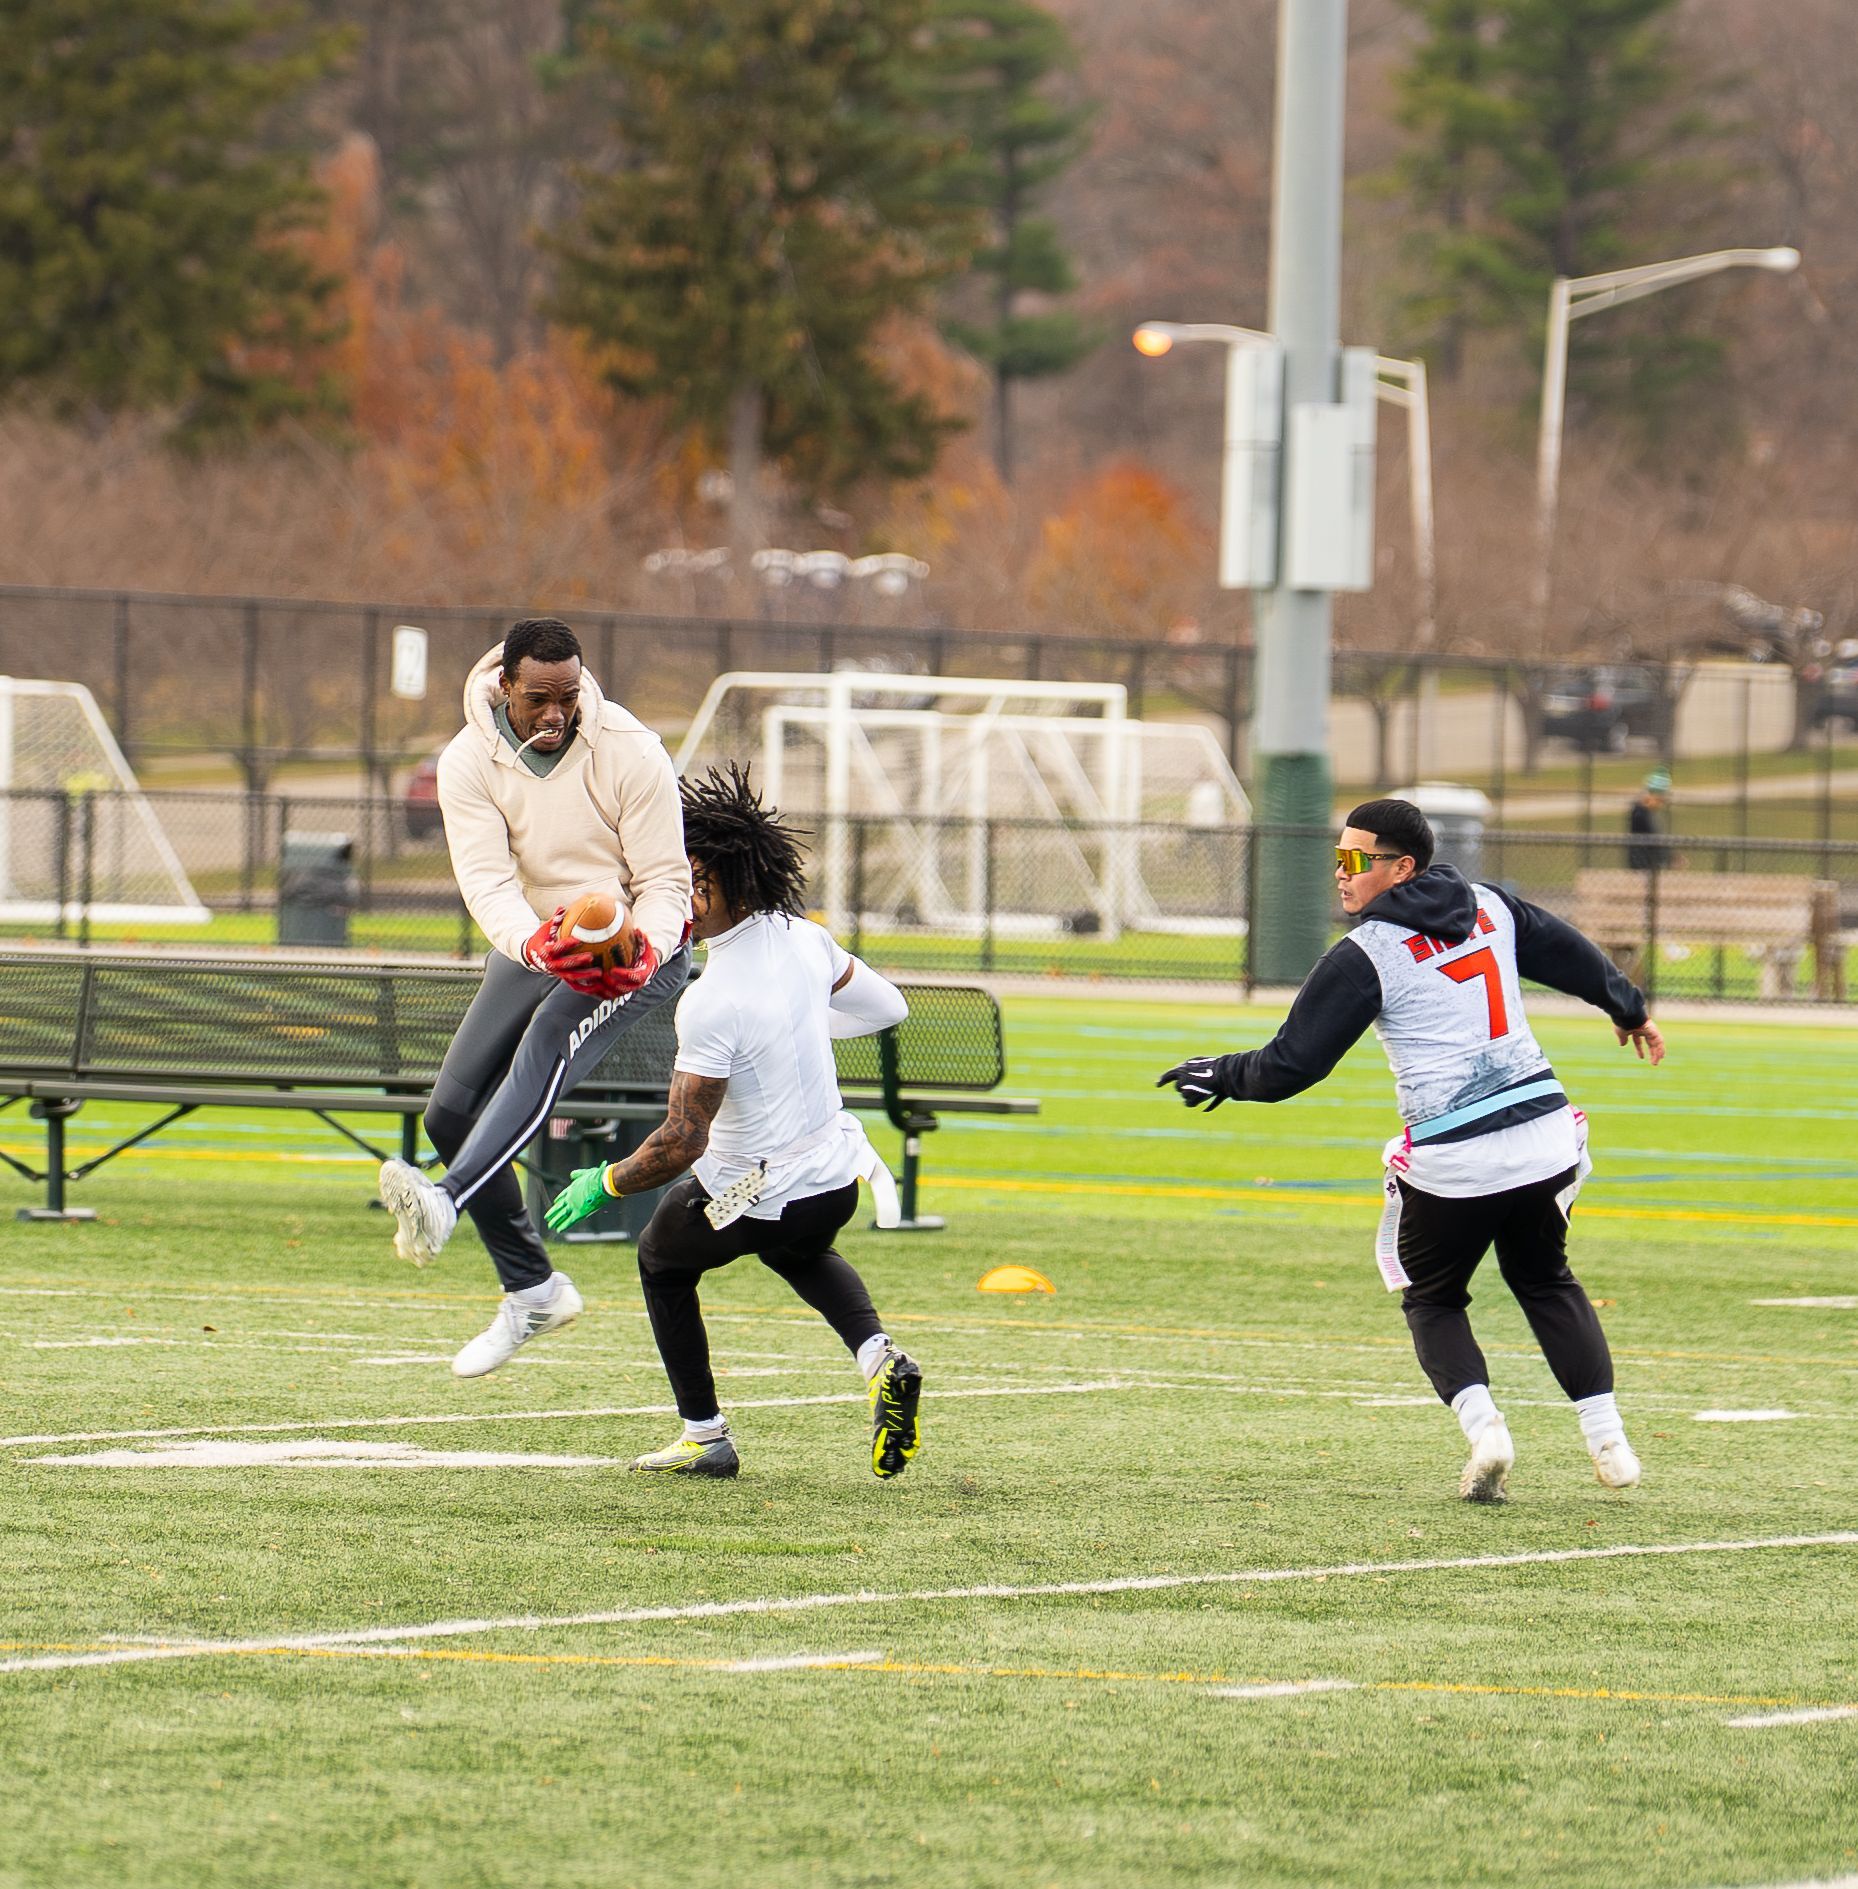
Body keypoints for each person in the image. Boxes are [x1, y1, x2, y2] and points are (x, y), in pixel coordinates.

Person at [1158, 797, 1665, 1504]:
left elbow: (1292, 1065)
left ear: (1402, 867)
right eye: (1338, 857)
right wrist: (1628, 1005)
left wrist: (1221, 1072)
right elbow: (1570, 953)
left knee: (1431, 1295)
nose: (1341, 873)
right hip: (1545, 1135)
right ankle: (1608, 1438)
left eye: (1356, 859)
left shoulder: (1367, 950)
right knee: (1545, 1277)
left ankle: (1487, 1430)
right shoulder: (1490, 902)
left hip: (1457, 1155)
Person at [545, 764, 921, 1483]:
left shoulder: (713, 999)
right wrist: (797, 1024)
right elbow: (888, 1008)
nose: (671, 893)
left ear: (718, 879)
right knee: (801, 1250)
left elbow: (682, 1141)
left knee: (660, 1259)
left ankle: (704, 1436)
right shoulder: (803, 938)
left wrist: (606, 1181)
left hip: (754, 1192)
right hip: (835, 1177)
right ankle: (882, 1362)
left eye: (681, 877)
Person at [377, 617, 693, 1378]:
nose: (555, 714)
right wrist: (536, 944)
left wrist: (640, 947)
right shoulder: (466, 760)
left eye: (568, 697)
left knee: (548, 1040)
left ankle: (448, 1197)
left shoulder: (631, 748)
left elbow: (666, 882)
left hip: (634, 951)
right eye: (539, 700)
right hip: (540, 938)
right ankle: (534, 1288)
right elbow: (486, 882)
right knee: (449, 1112)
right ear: (505, 689)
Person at [1627, 768, 1672, 872]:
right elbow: (1654, 838)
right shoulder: (1640, 813)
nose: (1661, 803)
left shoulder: (1644, 812)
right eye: (1660, 799)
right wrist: (1670, 858)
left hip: (1649, 865)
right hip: (1641, 866)